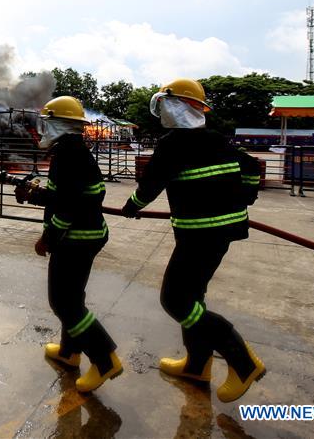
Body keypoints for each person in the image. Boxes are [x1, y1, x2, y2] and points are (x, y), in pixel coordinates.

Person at [120, 78, 264, 403]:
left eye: (166, 106)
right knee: (193, 298)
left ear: (178, 107)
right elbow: (252, 167)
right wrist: (246, 195)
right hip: (223, 231)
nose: (163, 113)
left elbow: (151, 184)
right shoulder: (217, 140)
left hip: (200, 233)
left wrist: (132, 206)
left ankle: (242, 362)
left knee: (175, 301)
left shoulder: (172, 144)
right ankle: (197, 365)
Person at [15, 95, 123, 392]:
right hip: (88, 233)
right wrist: (34, 194)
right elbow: (66, 195)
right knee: (72, 298)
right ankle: (68, 352)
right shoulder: (75, 150)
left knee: (63, 302)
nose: (43, 129)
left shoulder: (66, 155)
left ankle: (104, 360)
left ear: (58, 124)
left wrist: (47, 238)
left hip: (76, 238)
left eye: (47, 123)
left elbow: (67, 209)